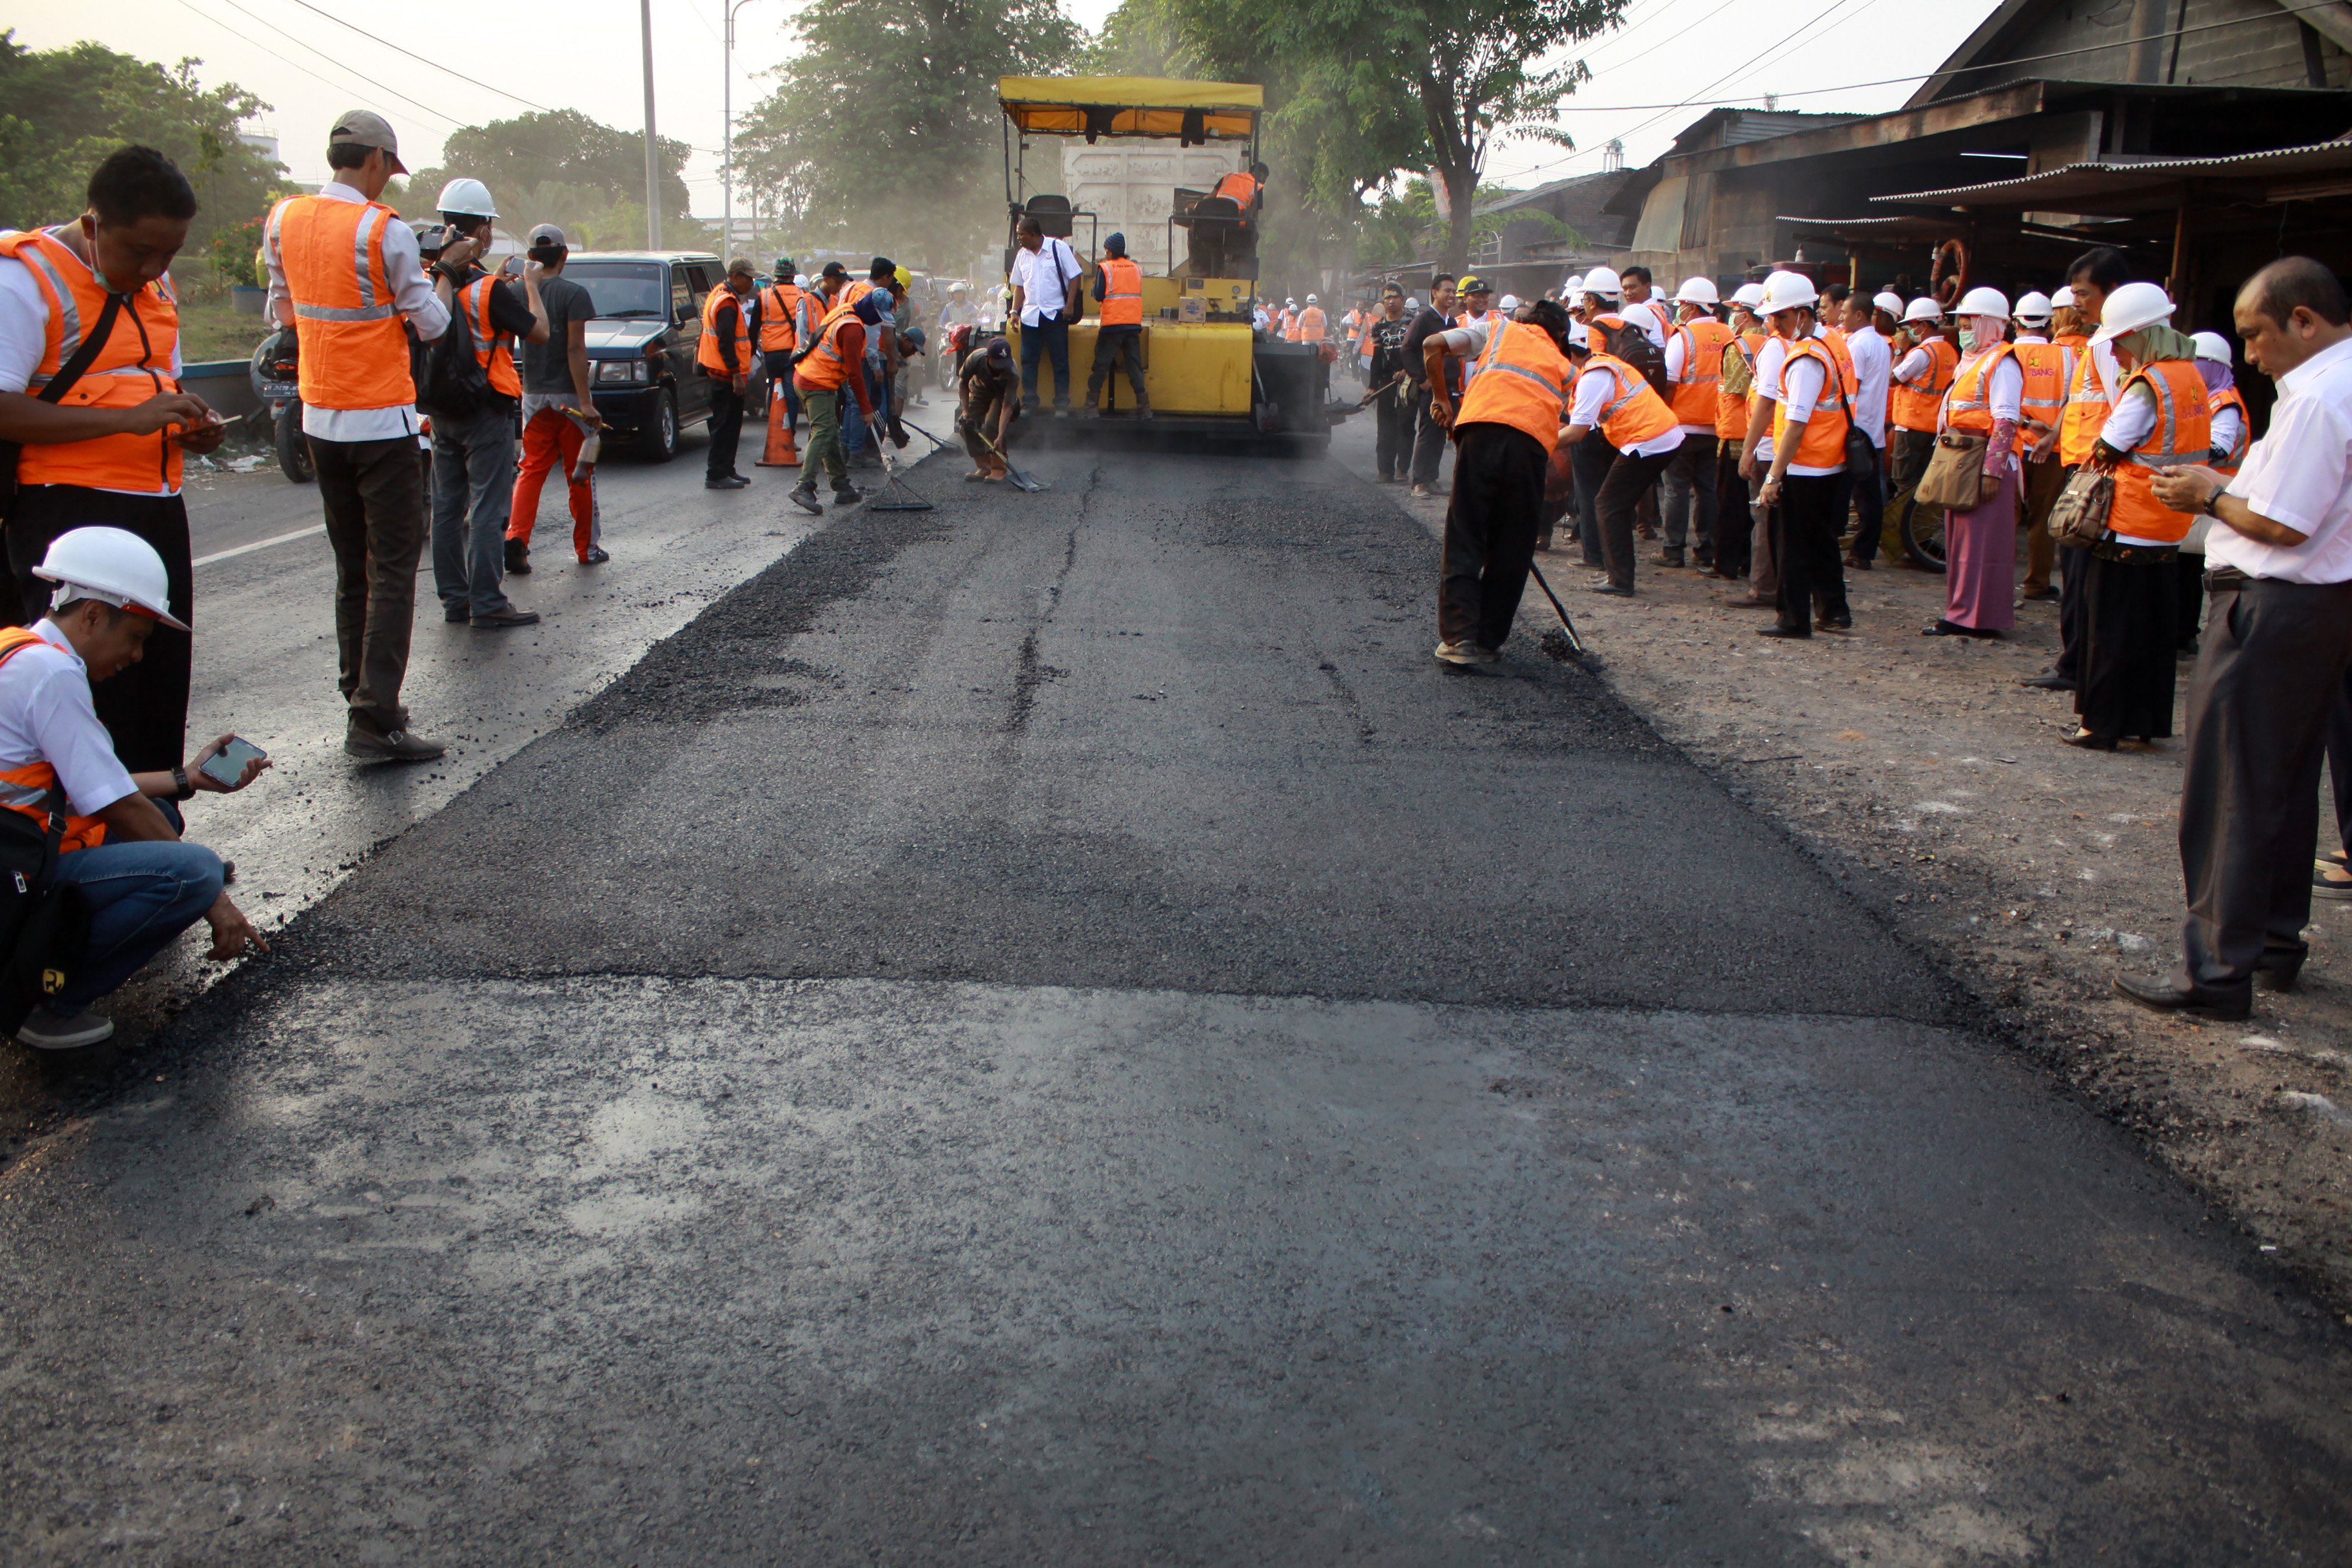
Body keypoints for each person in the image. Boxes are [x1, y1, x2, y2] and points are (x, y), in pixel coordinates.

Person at [2117, 258, 2352, 1019]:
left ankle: (2216, 971)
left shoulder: (2319, 397)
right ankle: (2273, 942)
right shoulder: (2336, 385)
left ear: (2303, 321)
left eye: (2256, 335)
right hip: (2319, 608)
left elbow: (2285, 524)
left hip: (2269, 604)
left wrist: (2208, 494)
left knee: (2231, 789)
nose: (2249, 354)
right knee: (2284, 780)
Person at [0, 146, 221, 775]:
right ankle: (77, 828)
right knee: (86, 696)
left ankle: (157, 818)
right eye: (140, 251)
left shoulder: (155, 284)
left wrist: (192, 427)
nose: (153, 269)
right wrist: (126, 421)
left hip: (155, 506)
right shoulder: (23, 280)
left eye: (169, 254)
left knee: (155, 678)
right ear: (94, 226)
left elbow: (157, 383)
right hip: (67, 513)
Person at [0, 529, 266, 1051]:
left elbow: (83, 786)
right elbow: (117, 804)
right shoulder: (53, 674)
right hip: (15, 877)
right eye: (136, 637)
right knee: (194, 871)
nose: (138, 655)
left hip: (16, 853)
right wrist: (216, 902)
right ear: (93, 616)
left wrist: (188, 778)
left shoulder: (20, 649)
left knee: (162, 817)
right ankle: (42, 997)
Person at [266, 111, 456, 762]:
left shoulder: (283, 220)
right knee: (394, 567)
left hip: (320, 418)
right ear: (375, 160)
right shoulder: (383, 229)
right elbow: (433, 325)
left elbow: (282, 309)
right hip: (381, 420)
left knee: (353, 566)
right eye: (387, 169)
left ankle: (361, 694)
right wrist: (443, 275)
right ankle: (376, 719)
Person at [2063, 282, 2204, 746]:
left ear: (2142, 336)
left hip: (2128, 520)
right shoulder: (2191, 377)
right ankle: (2144, 723)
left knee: (2109, 628)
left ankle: (2100, 724)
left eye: (2120, 343)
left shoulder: (2148, 383)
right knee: (2152, 630)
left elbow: (2110, 444)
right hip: (2168, 522)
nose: (2116, 354)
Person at [1421, 298, 1579, 664]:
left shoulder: (1497, 329)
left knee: (1466, 531)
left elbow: (1432, 345)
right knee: (1514, 543)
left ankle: (1460, 639)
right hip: (1531, 449)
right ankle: (1488, 640)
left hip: (1481, 435)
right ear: (1559, 335)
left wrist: (1442, 399)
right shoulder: (1566, 366)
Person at [425, 179, 546, 629]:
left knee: (446, 509)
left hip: (440, 408)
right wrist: (531, 285)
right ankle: (489, 602)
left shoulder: (427, 282)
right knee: (488, 508)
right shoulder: (489, 290)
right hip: (485, 407)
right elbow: (540, 332)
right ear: (482, 231)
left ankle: (455, 602)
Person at [2022, 247, 2133, 694]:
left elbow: (2122, 413)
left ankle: (2077, 664)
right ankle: (2075, 659)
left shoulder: (2108, 346)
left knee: (2082, 575)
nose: (2076, 304)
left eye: (2084, 294)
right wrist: (2054, 435)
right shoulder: (2098, 342)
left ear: (2113, 291)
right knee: (2075, 573)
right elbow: (2081, 403)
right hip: (2081, 464)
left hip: (2094, 473)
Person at [1750, 270, 1853, 637]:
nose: (1775, 324)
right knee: (1821, 540)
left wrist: (1773, 477)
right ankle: (1834, 610)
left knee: (1791, 545)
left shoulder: (1806, 359)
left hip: (1805, 464)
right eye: (1772, 316)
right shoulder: (1833, 342)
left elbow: (1796, 424)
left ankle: (1793, 619)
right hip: (1829, 460)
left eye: (1782, 316)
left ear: (1803, 315)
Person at [1555, 307, 1682, 597]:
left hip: (1650, 440)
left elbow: (1576, 432)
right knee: (1614, 503)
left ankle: (1620, 580)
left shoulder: (1594, 375)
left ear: (1570, 354)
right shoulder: (1606, 365)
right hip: (1659, 437)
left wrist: (1539, 443)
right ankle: (1619, 574)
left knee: (1608, 504)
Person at [506, 223, 608, 575]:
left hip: (533, 396)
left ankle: (516, 537)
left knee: (530, 470)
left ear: (531, 256)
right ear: (564, 254)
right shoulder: (573, 294)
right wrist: (586, 402)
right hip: (569, 399)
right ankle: (586, 549)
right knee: (580, 472)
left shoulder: (516, 292)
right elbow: (575, 349)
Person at [1921, 286, 2022, 641]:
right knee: (1963, 543)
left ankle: (1977, 617)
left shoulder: (2002, 363)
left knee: (1982, 545)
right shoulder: (1974, 361)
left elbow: (2006, 419)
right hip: (1963, 461)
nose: (1962, 328)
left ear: (1989, 324)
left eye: (1968, 322)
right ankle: (1963, 612)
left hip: (1982, 463)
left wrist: (1992, 471)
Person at [788, 277, 883, 516]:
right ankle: (804, 486)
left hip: (811, 376)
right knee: (824, 430)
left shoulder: (845, 311)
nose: (879, 321)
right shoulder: (853, 329)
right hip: (815, 381)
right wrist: (866, 409)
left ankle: (841, 486)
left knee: (830, 431)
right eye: (879, 316)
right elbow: (855, 373)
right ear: (871, 309)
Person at [2180, 330, 2248, 654]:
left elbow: (2219, 446)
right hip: (2205, 492)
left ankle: (2183, 635)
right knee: (2184, 567)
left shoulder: (2225, 403)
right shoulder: (2206, 398)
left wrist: (2176, 451)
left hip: (2213, 494)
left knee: (2189, 568)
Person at [1659, 277, 1729, 569]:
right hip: (1717, 426)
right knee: (1707, 490)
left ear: (1690, 306)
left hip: (1683, 427)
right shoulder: (1729, 334)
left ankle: (1673, 550)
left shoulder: (1683, 337)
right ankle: (1706, 549)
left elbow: (1670, 382)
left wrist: (1662, 414)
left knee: (1676, 490)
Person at [2008, 290, 2072, 602]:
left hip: (2012, 448)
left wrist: (2024, 424)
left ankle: (1997, 584)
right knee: (2043, 521)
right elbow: (2073, 402)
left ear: (2015, 322)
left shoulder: (2004, 355)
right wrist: (2052, 437)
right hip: (2052, 451)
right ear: (2050, 323)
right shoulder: (2068, 357)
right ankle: (2037, 585)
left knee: (2005, 518)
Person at [1883, 296, 1956, 564]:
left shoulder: (1920, 353)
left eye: (1912, 326)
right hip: (1932, 428)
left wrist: (1900, 351)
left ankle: (1905, 542)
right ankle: (1921, 540)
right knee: (1922, 486)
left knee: (1904, 484)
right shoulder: (1950, 352)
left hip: (1911, 425)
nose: (1909, 331)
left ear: (1923, 325)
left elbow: (1893, 379)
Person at [1836, 290, 1899, 571]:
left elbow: (1852, 386)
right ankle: (1864, 551)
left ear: (1859, 315)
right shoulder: (1880, 343)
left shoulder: (1859, 346)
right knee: (1869, 494)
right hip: (1872, 429)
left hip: (1856, 430)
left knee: (1846, 491)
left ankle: (1845, 545)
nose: (1841, 318)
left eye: (1845, 313)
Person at [1710, 283, 1766, 581]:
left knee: (1730, 504)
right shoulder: (1773, 343)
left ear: (1745, 314)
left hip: (1735, 435)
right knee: (1752, 505)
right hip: (1764, 436)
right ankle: (1747, 560)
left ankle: (1726, 563)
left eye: (1736, 311)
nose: (1734, 317)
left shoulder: (1739, 347)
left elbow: (1737, 389)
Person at [1009, 216, 1081, 415]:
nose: (1019, 239)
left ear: (1033, 235)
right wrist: (1014, 311)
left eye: (1021, 235)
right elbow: (1019, 286)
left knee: (1060, 361)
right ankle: (1030, 403)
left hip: (1055, 315)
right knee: (1028, 361)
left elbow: (1075, 276)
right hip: (1030, 317)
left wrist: (1069, 305)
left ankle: (1061, 405)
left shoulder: (1058, 248)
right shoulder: (1022, 255)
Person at [697, 257, 757, 489]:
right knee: (725, 426)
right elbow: (726, 342)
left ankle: (727, 469)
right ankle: (716, 474)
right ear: (736, 276)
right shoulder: (726, 303)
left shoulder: (720, 294)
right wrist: (736, 375)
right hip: (725, 375)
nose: (751, 284)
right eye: (748, 278)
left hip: (720, 371)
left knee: (731, 425)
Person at [1402, 275, 1461, 499]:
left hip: (1450, 388)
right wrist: (1422, 380)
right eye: (1447, 291)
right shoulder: (1424, 320)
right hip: (1432, 390)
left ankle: (1432, 479)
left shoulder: (1452, 323)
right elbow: (1407, 350)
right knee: (1428, 433)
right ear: (1434, 292)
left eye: (1454, 291)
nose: (1451, 295)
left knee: (1441, 435)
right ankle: (1419, 482)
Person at [1082, 232, 1149, 418]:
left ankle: (1091, 408)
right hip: (1133, 325)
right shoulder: (1136, 268)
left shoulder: (1106, 268)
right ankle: (1145, 408)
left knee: (1101, 367)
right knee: (1134, 367)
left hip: (1112, 325)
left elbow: (1098, 295)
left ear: (1110, 251)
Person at [1365, 284, 1415, 483]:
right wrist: (1372, 387)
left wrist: (1407, 371)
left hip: (1409, 382)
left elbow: (1420, 353)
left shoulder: (1413, 323)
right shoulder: (1379, 327)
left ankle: (1402, 468)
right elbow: (1376, 359)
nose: (1391, 301)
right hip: (1386, 382)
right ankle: (1385, 471)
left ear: (1403, 299)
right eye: (1387, 298)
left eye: (1395, 297)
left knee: (1405, 425)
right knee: (1386, 427)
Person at [754, 258, 810, 438]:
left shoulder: (764, 296)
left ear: (776, 275)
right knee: (791, 394)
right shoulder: (802, 295)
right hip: (793, 352)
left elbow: (754, 328)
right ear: (793, 275)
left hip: (771, 353)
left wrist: (750, 352)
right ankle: (789, 435)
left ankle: (775, 433)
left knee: (774, 390)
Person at [957, 335, 1021, 480]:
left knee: (993, 424)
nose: (1001, 368)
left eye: (1004, 363)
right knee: (967, 424)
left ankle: (999, 468)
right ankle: (985, 466)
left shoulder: (1012, 373)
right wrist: (965, 411)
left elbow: (1007, 406)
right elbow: (963, 383)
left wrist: (1000, 436)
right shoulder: (975, 359)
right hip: (980, 389)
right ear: (988, 358)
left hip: (1001, 395)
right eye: (998, 364)